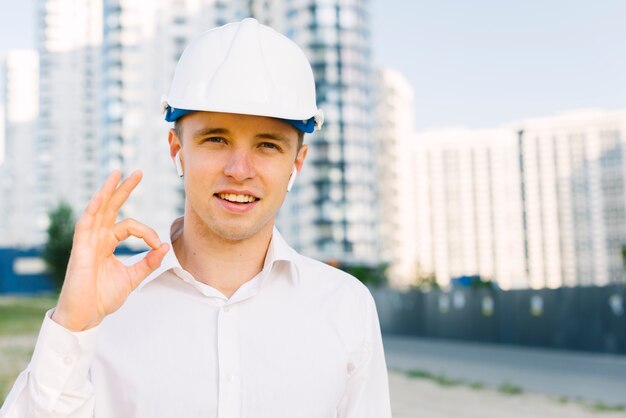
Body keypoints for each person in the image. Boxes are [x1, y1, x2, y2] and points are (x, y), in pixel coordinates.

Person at [0, 18, 391, 418]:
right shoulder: (105, 306)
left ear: (297, 163)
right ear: (177, 149)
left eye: (268, 145)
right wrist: (72, 326)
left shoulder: (346, 307)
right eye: (216, 139)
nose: (240, 169)